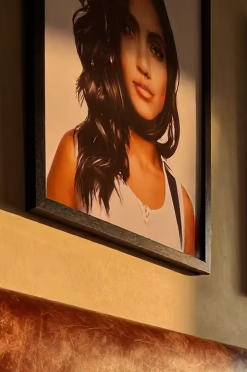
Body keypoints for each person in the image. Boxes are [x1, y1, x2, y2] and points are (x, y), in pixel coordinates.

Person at [47, 0, 195, 255]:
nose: (144, 65)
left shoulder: (182, 204)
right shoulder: (74, 154)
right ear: (111, 47)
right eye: (129, 30)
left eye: (156, 50)